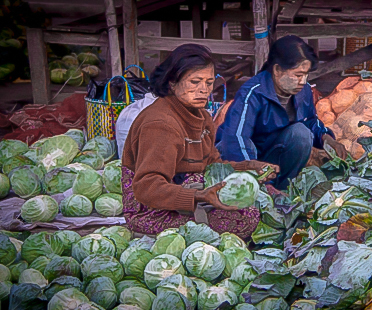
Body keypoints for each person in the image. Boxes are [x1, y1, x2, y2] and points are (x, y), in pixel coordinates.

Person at [121, 44, 278, 238]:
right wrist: (198, 196)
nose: (204, 90)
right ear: (172, 83)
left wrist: (248, 167)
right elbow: (147, 187)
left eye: (209, 82)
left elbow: (213, 166)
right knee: (244, 218)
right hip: (152, 210)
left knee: (266, 200)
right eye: (195, 82)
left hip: (188, 193)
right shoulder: (160, 125)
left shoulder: (202, 117)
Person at [216, 35, 347, 190]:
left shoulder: (304, 91)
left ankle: (282, 189)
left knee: (301, 134)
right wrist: (257, 175)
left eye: (306, 75)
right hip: (241, 158)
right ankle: (261, 189)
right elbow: (236, 139)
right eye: (298, 75)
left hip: (271, 155)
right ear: (277, 70)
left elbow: (310, 121)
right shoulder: (252, 93)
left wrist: (326, 138)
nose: (303, 81)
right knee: (244, 145)